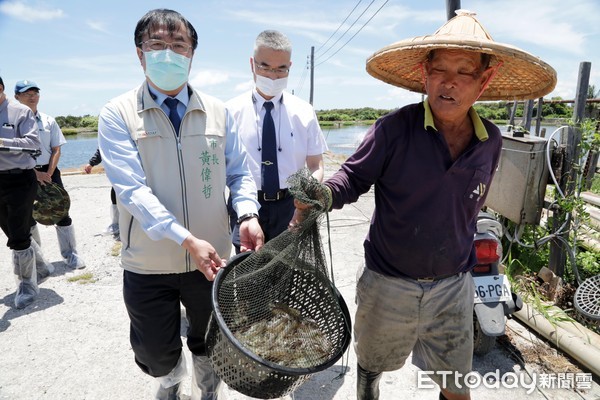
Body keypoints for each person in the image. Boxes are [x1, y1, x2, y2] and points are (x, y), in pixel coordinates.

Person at [291, 10, 556, 400]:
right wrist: (325, 194)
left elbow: (471, 204)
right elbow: (352, 178)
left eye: (463, 71)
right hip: (387, 283)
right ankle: (371, 385)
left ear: (484, 81)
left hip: (453, 287)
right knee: (372, 366)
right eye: (439, 70)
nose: (448, 82)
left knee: (456, 387)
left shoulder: (492, 141)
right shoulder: (393, 129)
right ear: (424, 74)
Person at [97, 9, 263, 400]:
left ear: (192, 54)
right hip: (148, 262)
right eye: (157, 45)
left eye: (178, 45)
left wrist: (248, 213)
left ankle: (207, 391)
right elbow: (132, 190)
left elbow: (239, 173)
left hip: (212, 262)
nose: (168, 54)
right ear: (140, 54)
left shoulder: (218, 111)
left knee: (210, 339)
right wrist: (185, 238)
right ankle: (169, 381)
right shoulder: (118, 113)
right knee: (155, 351)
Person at [226, 30, 327, 251]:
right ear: (252, 64)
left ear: (289, 66)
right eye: (265, 67)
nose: (273, 75)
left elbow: (316, 165)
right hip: (246, 204)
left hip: (291, 203)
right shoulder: (230, 112)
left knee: (286, 276)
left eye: (281, 69)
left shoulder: (304, 111)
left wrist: (304, 202)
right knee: (248, 276)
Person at [14, 79, 86, 269]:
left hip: (49, 171)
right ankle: (39, 263)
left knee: (62, 212)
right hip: (24, 173)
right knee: (27, 218)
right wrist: (35, 174)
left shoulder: (48, 120)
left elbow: (56, 149)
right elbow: (15, 152)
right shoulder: (12, 122)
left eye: (35, 92)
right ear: (16, 97)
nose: (32, 96)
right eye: (26, 93)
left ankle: (71, 255)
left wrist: (48, 173)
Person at [0, 75, 50, 309]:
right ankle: (40, 266)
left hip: (19, 179)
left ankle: (27, 286)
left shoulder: (20, 112)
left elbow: (33, 144)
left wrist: (3, 142)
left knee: (19, 234)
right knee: (10, 231)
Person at [83, 147, 119, 239]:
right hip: (116, 170)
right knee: (114, 195)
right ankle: (116, 224)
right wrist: (91, 163)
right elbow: (102, 148)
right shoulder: (106, 133)